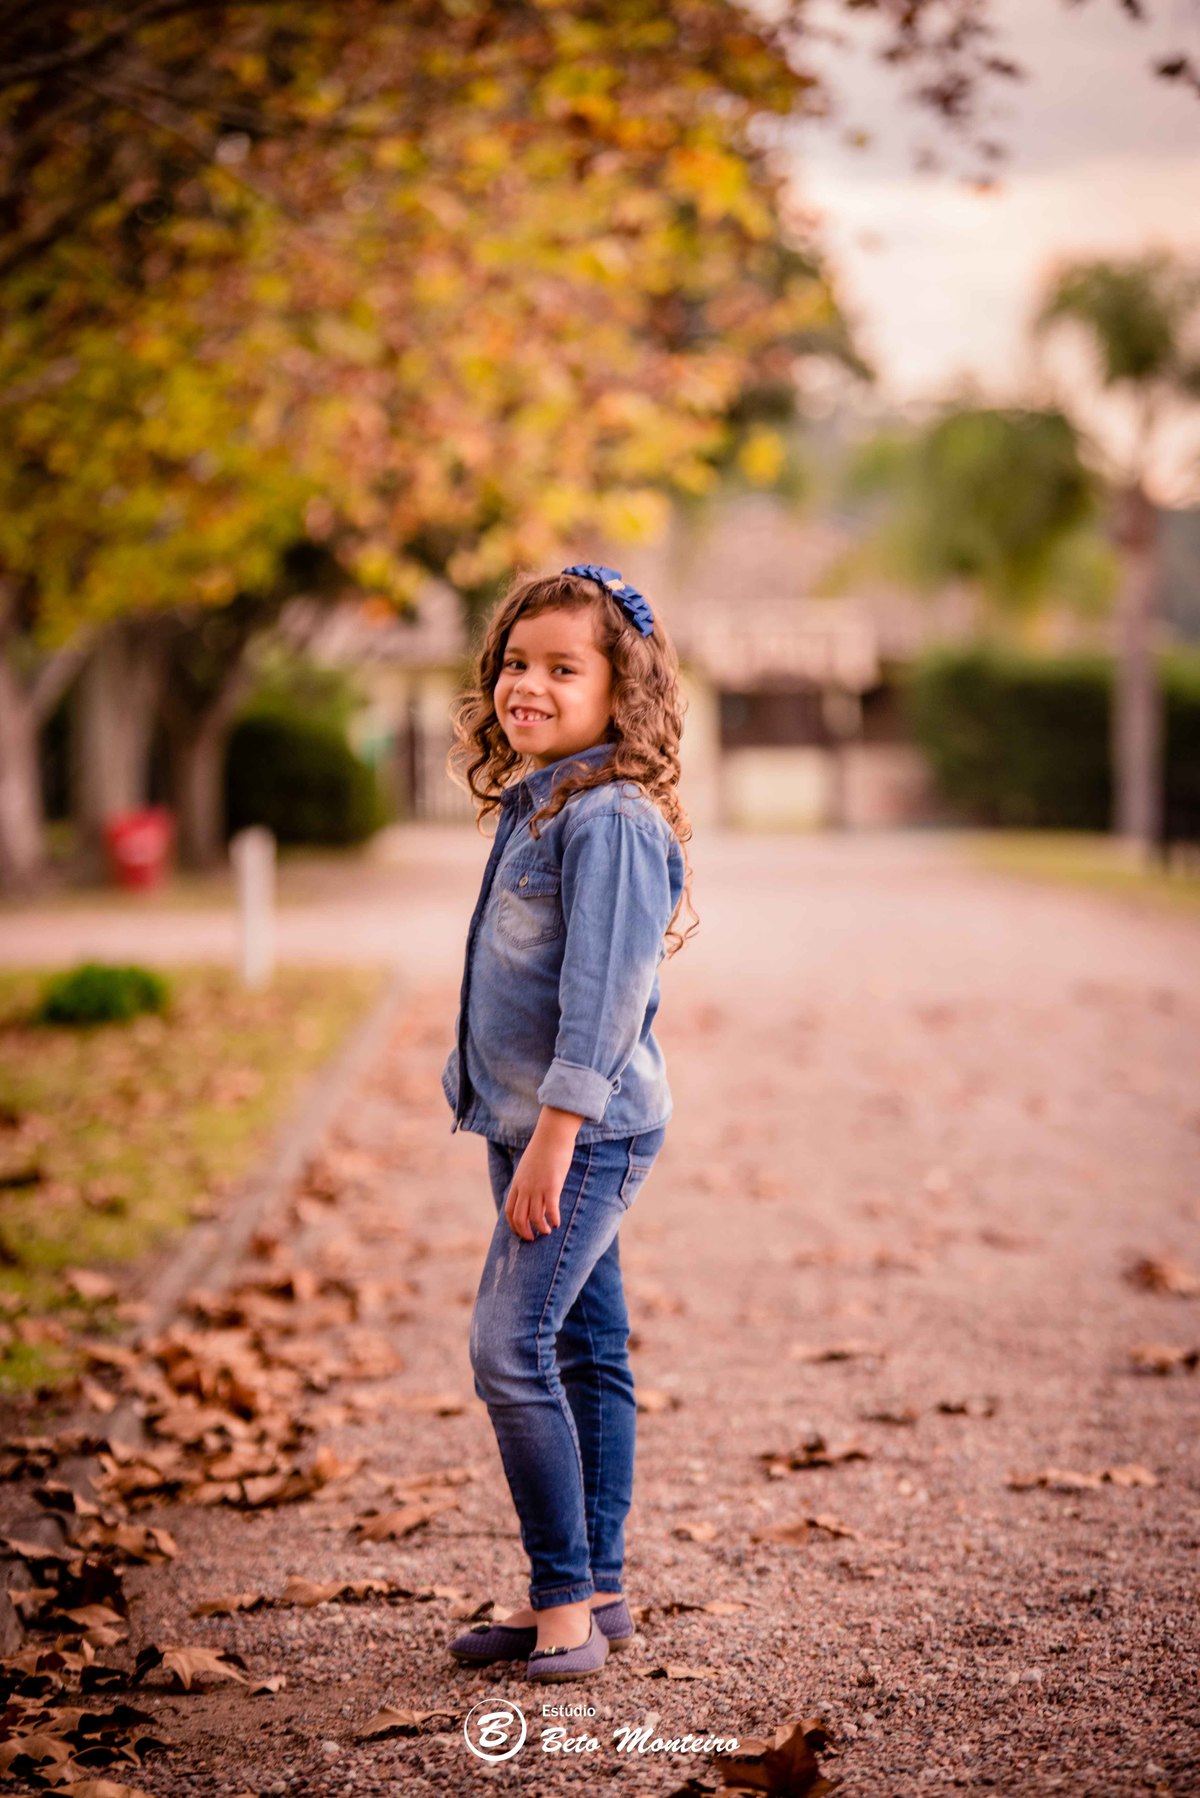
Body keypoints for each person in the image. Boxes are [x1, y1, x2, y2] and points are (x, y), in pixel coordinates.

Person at [440, 563, 697, 1685]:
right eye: (515, 662)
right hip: (528, 1119)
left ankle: (561, 1605)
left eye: (561, 668)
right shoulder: (541, 797)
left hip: (580, 1133)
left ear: (619, 688)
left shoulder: (613, 819)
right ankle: (596, 1587)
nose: (527, 686)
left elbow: (602, 999)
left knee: (509, 1348)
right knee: (585, 1347)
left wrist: (551, 1137)